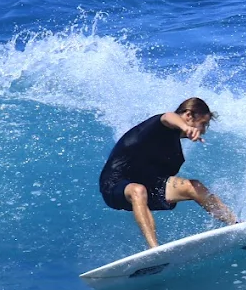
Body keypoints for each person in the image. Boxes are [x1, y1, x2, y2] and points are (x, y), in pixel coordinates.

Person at [99, 97, 238, 248]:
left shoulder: (174, 151)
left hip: (148, 185)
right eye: (203, 123)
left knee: (194, 186)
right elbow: (167, 116)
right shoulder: (159, 126)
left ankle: (235, 225)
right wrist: (186, 128)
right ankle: (154, 249)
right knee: (138, 190)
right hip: (114, 185)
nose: (204, 130)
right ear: (188, 115)